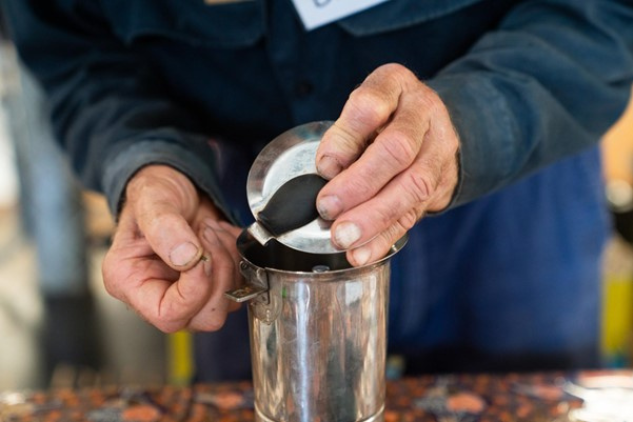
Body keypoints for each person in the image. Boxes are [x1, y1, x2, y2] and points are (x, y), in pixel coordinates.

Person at [3, 0, 633, 380]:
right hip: (233, 210)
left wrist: (473, 120)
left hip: (509, 180)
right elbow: (74, 53)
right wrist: (146, 161)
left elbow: (604, 15)